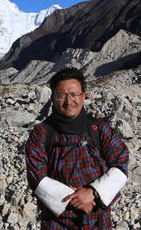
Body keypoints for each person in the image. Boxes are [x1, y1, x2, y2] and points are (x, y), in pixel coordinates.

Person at [25, 68, 129, 229]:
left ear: (83, 96)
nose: (68, 101)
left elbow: (121, 161)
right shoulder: (42, 133)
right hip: (58, 221)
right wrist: (78, 200)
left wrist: (92, 193)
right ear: (52, 98)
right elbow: (36, 177)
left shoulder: (98, 128)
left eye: (74, 94)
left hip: (98, 218)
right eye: (61, 96)